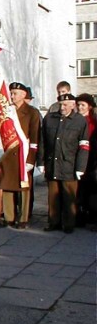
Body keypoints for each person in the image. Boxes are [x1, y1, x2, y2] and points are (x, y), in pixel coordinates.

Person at [40, 94, 88, 234]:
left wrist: (80, 167)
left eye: (66, 104)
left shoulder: (79, 121)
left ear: (73, 105)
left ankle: (68, 224)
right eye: (61, 104)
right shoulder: (50, 118)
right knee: (53, 196)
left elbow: (84, 145)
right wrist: (40, 161)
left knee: (69, 196)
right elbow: (43, 141)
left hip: (70, 165)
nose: (62, 107)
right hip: (52, 163)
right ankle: (53, 222)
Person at [0, 82, 41, 229]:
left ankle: (23, 218)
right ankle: (9, 216)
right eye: (11, 93)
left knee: (24, 188)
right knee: (8, 185)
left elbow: (35, 138)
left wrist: (31, 159)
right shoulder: (6, 111)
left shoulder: (31, 112)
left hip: (24, 154)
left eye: (15, 93)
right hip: (9, 154)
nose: (12, 96)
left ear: (23, 95)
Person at [75, 93, 97, 227]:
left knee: (92, 190)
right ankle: (80, 215)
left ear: (89, 107)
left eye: (83, 105)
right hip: (77, 160)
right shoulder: (75, 120)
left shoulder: (93, 122)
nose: (80, 107)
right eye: (78, 105)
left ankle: (93, 216)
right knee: (79, 190)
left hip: (91, 160)